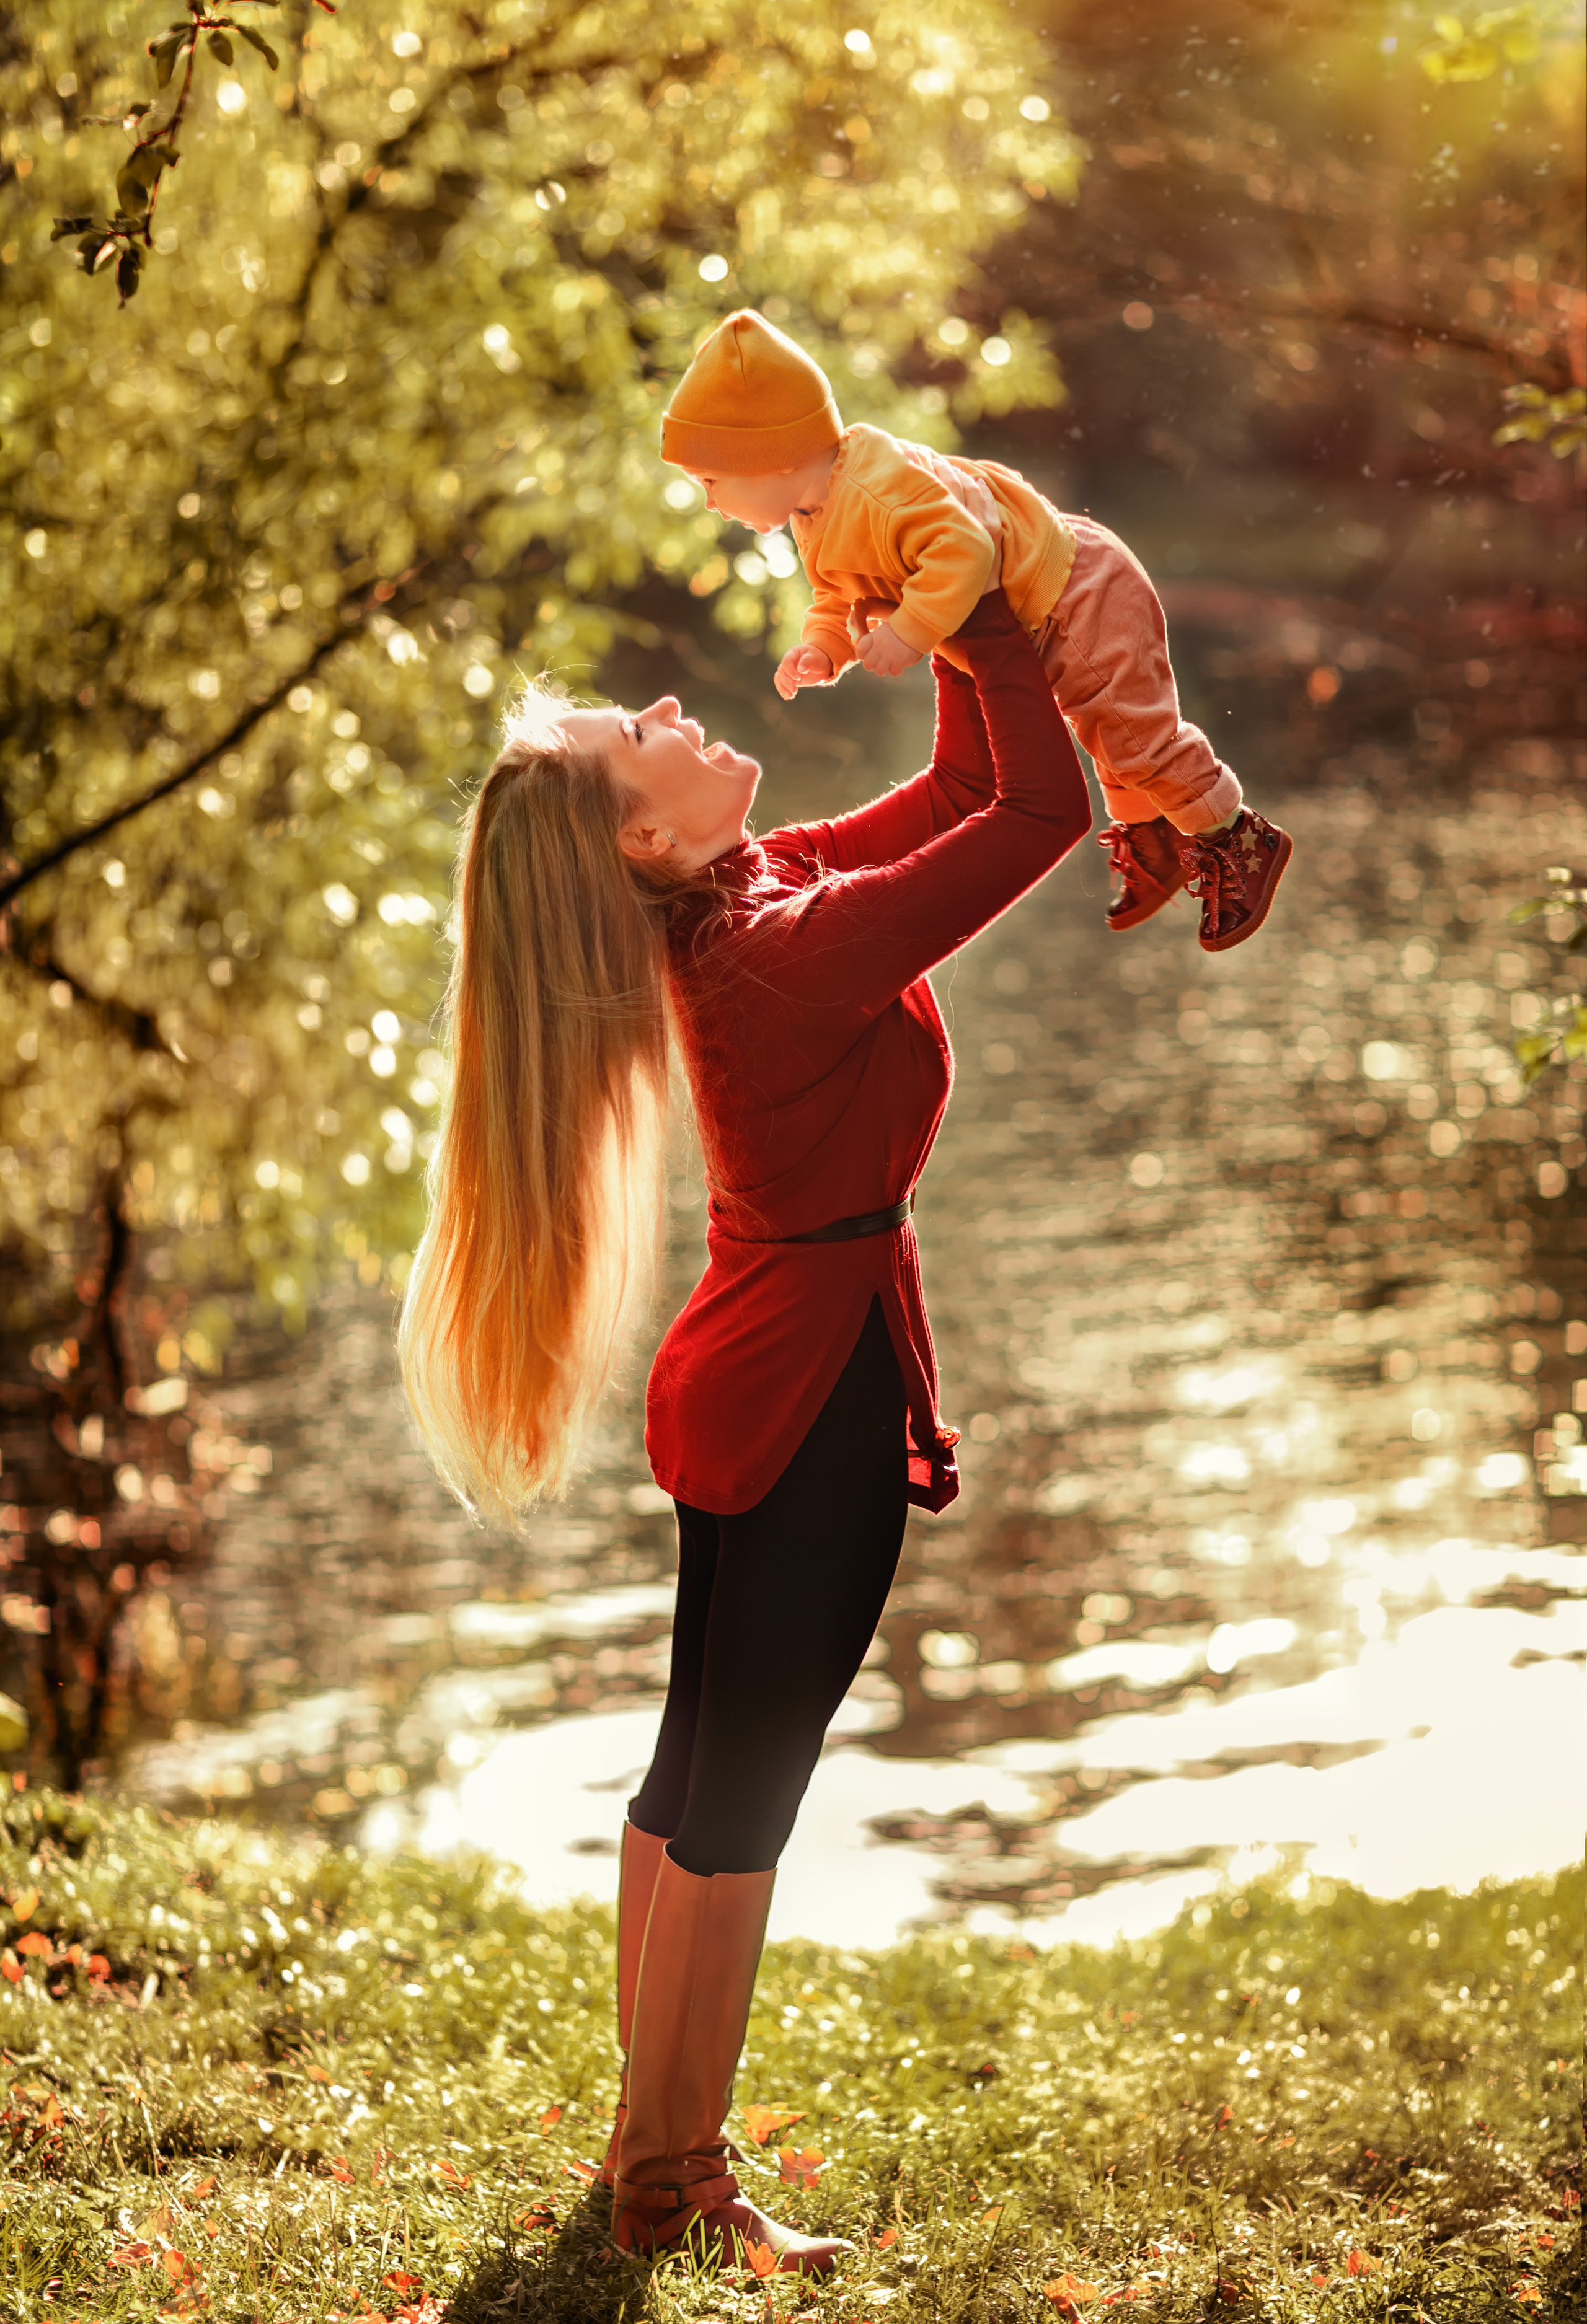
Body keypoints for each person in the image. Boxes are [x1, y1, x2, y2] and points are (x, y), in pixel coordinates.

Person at [397, 564, 1090, 2274]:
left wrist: (939, 604)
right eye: (639, 735)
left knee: (699, 1764)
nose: (671, 708)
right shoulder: (772, 944)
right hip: (801, 1392)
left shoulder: (758, 897)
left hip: (757, 1366)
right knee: (739, 1797)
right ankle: (672, 2178)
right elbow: (1044, 810)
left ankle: (651, 2146)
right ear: (643, 843)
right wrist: (994, 614)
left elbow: (959, 797)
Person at [661, 307, 1294, 953]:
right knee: (1103, 732)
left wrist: (908, 631)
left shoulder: (878, 489)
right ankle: (1154, 840)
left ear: (769, 458)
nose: (710, 502)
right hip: (1045, 605)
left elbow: (964, 548)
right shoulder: (812, 507)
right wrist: (825, 648)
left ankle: (1239, 838)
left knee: (1134, 735)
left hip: (1077, 590)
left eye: (712, 481)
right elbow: (835, 591)